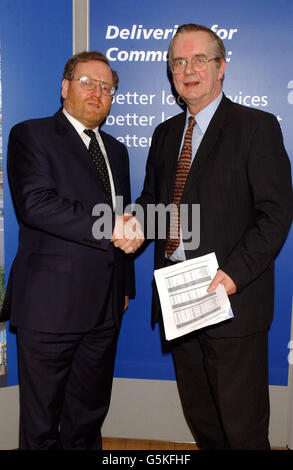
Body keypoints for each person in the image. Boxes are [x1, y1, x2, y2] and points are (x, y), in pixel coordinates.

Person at [123, 24, 293, 449]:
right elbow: (152, 199)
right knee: (203, 418)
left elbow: (276, 213)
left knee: (243, 428)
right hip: (179, 297)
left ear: (221, 68)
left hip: (230, 298)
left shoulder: (256, 127)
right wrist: (137, 223)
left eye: (200, 59)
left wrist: (234, 273)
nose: (188, 69)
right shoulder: (165, 134)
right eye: (179, 61)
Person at [0, 51, 135, 450]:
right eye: (87, 82)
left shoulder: (117, 150)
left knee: (88, 419)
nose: (97, 93)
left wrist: (124, 285)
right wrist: (111, 226)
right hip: (49, 309)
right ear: (65, 87)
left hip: (106, 309)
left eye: (106, 87)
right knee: (42, 426)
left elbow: (123, 215)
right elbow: (36, 204)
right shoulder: (31, 134)